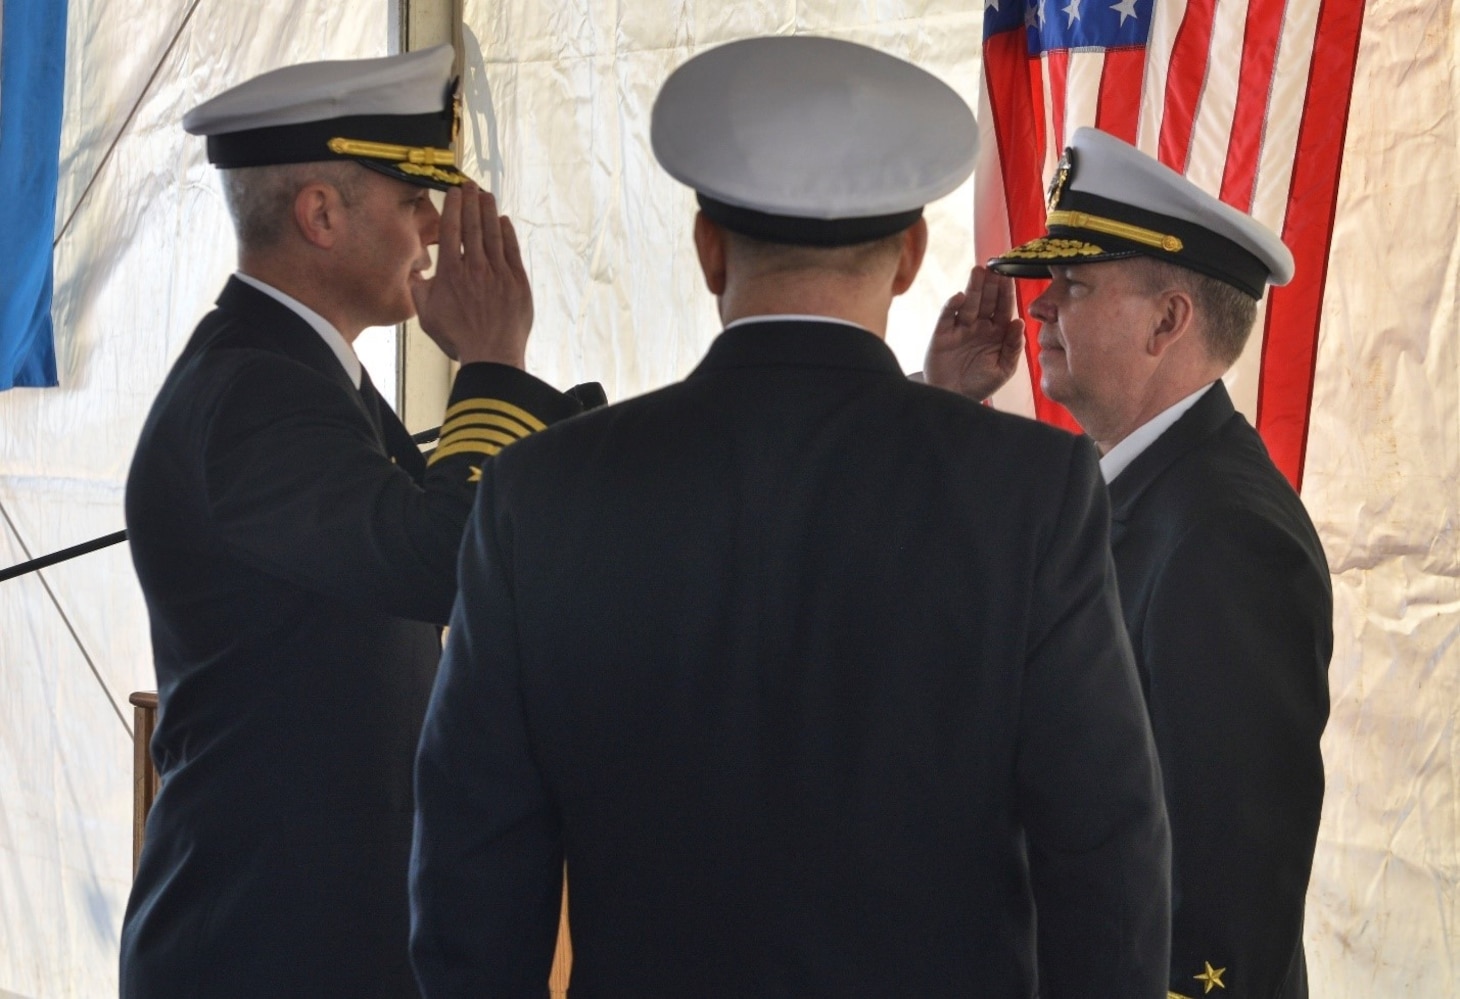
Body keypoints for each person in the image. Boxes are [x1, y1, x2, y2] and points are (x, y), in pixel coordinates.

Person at [409, 37, 1171, 998]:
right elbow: (1103, 852)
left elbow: (471, 872)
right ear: (910, 259)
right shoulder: (1032, 489)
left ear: (706, 248)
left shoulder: (539, 491)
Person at [119, 46, 599, 998]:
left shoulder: (299, 374)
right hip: (260, 944)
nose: (431, 226)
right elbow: (444, 561)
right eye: (414, 196)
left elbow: (461, 524)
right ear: (321, 214)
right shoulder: (254, 391)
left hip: (312, 932)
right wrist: (494, 363)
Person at [933, 126, 1333, 999]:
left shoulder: (1226, 537)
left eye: (1072, 284)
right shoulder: (1136, 491)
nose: (1036, 308)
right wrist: (946, 415)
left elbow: (1228, 896)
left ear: (1168, 320)